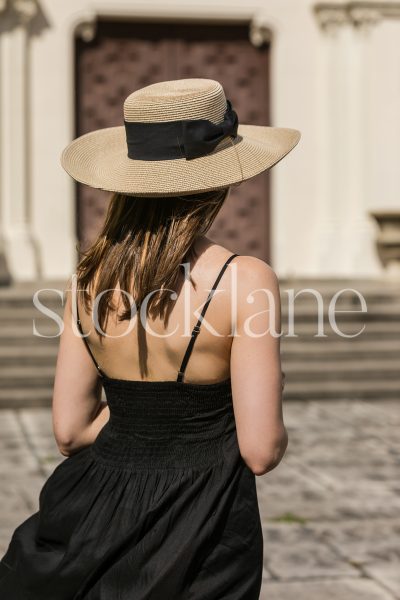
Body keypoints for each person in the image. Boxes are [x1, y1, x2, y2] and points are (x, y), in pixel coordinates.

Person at [0, 78, 300, 599]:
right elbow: (259, 449)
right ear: (219, 180)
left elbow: (70, 431)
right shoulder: (245, 279)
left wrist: (146, 414)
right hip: (203, 523)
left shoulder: (87, 279)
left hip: (92, 514)